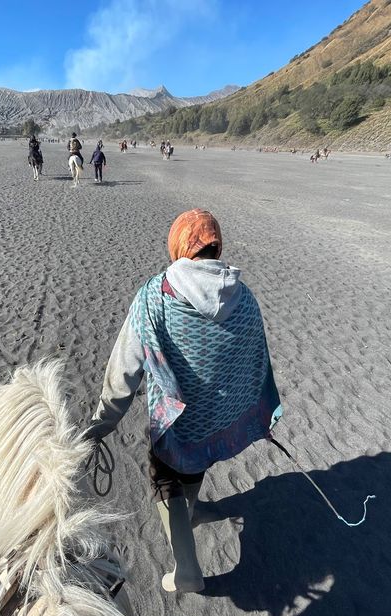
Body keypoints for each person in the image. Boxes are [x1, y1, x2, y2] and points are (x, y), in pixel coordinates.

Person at [87, 209, 282, 593]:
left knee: (165, 481)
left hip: (177, 424)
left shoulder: (154, 297)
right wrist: (254, 411)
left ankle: (187, 567)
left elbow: (123, 370)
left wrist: (101, 424)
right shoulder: (244, 299)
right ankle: (191, 512)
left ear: (179, 246)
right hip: (219, 420)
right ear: (216, 245)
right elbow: (256, 359)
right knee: (196, 465)